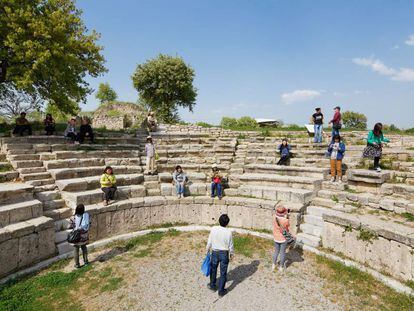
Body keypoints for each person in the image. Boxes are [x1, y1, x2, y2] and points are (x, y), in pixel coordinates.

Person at [206, 214, 234, 297]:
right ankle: (221, 291)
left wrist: (207, 248)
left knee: (213, 269)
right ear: (227, 223)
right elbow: (231, 245)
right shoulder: (229, 232)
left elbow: (210, 240)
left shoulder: (214, 229)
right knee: (223, 272)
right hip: (224, 254)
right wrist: (232, 254)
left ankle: (212, 285)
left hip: (214, 252)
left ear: (219, 220)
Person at [69, 204, 90, 268]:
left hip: (76, 236)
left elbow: (70, 226)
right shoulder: (86, 215)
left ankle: (77, 264)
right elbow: (89, 224)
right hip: (83, 235)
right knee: (84, 248)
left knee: (76, 249)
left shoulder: (73, 217)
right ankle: (86, 262)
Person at [272, 206, 290, 272]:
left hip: (276, 237)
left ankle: (273, 264)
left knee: (276, 251)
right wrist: (287, 215)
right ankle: (281, 267)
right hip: (283, 238)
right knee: (282, 252)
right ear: (284, 212)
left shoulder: (274, 217)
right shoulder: (286, 220)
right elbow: (287, 227)